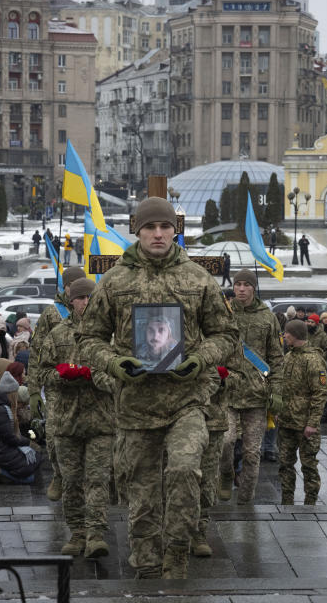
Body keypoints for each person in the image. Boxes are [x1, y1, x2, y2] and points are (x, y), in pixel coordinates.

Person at [76, 196, 238, 579]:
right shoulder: (116, 280)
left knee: (184, 469)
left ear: (175, 230)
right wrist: (115, 363)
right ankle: (146, 563)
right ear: (138, 231)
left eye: (165, 227)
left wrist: (201, 358)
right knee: (142, 492)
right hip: (135, 406)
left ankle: (177, 555)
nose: (159, 234)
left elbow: (227, 334)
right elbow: (88, 339)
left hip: (188, 400)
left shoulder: (197, 278)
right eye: (150, 227)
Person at [38, 277, 114, 558]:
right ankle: (77, 532)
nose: (86, 302)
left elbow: (119, 378)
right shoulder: (57, 334)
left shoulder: (110, 336)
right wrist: (61, 375)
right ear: (72, 302)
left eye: (91, 298)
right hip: (66, 421)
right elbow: (43, 372)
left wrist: (91, 375)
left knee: (97, 479)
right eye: (81, 298)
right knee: (71, 481)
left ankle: (96, 534)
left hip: (102, 420)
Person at [221, 269, 284, 505]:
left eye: (247, 285)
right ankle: (226, 474)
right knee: (225, 442)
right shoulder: (223, 315)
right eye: (238, 284)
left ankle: (246, 499)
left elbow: (277, 358)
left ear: (254, 288)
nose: (241, 289)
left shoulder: (268, 317)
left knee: (251, 452)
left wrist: (277, 391)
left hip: (257, 395)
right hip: (227, 391)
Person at [27, 265, 87, 502]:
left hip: (88, 383)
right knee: (54, 435)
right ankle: (59, 475)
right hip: (57, 385)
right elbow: (37, 353)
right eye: (74, 286)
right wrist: (33, 389)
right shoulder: (53, 314)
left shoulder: (94, 309)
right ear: (66, 287)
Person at [277, 319, 327, 505]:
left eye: (286, 333)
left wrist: (312, 423)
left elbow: (320, 393)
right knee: (285, 464)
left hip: (304, 424)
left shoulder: (313, 359)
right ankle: (287, 501)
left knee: (308, 466)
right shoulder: (289, 357)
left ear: (293, 335)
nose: (284, 336)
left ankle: (310, 503)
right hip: (286, 422)